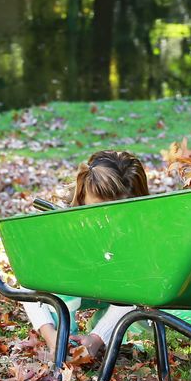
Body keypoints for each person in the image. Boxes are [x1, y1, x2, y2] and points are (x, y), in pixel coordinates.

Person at [21, 150, 149, 359]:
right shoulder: (61, 226)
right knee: (59, 282)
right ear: (81, 197)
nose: (105, 222)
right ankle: (63, 340)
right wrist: (50, 334)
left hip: (118, 290)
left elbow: (141, 286)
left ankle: (107, 329)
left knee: (137, 286)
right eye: (96, 211)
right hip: (75, 288)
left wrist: (97, 338)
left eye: (117, 213)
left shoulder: (139, 231)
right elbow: (29, 283)